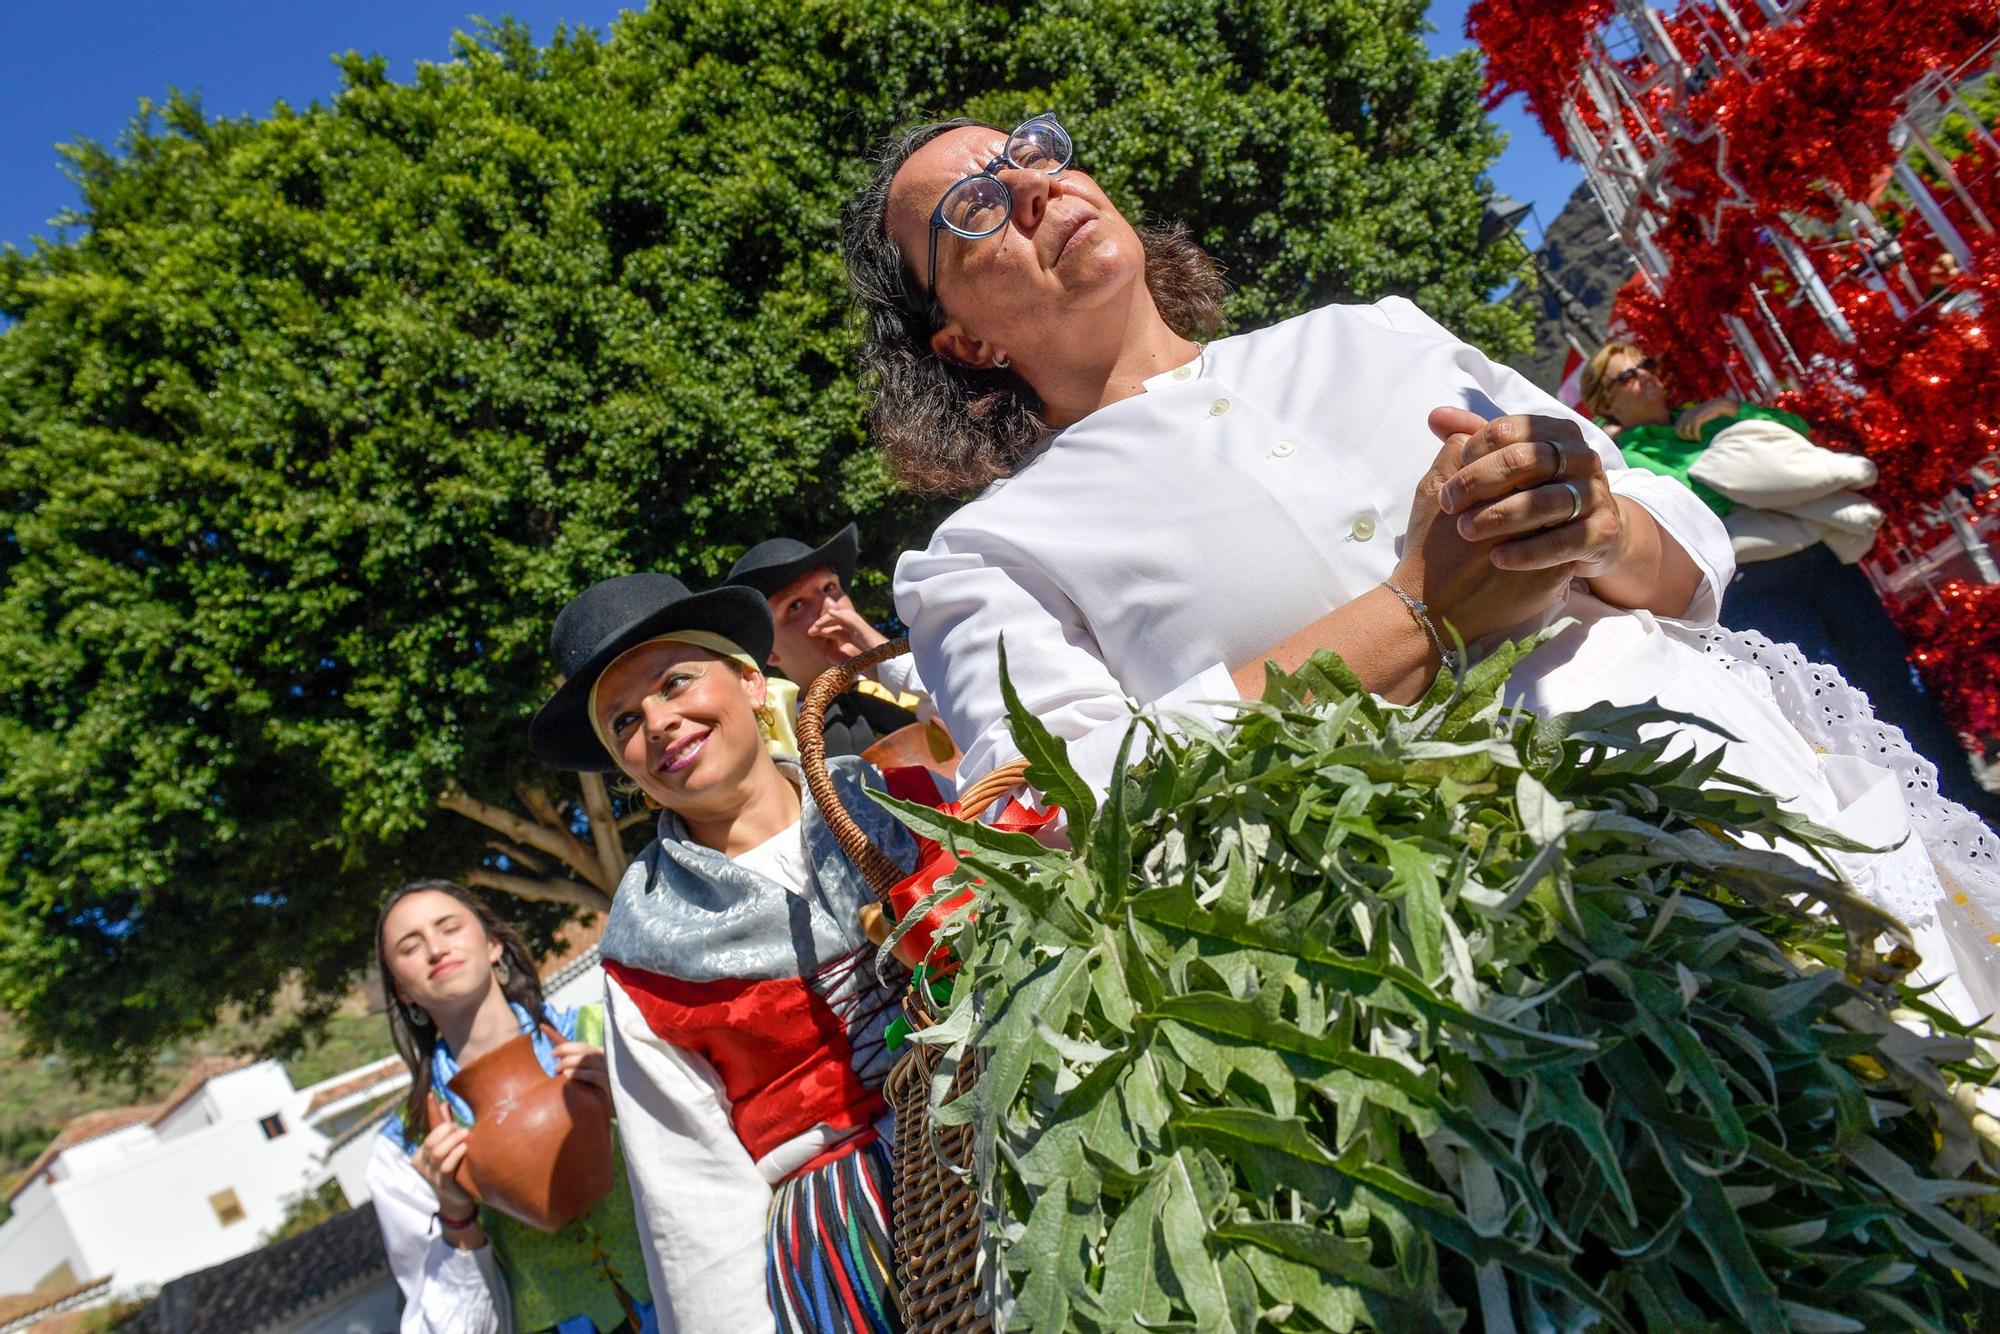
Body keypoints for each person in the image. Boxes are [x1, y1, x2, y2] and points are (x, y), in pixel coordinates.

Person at [841, 113, 2000, 1023]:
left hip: (1752, 807)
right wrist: (1418, 609)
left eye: (1033, 151)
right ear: (963, 341)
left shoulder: (1368, 332)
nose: (1036, 184)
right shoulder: (982, 555)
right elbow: (1065, 809)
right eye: (976, 203)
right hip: (1472, 987)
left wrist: (1588, 526)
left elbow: (1675, 541)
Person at [528, 571, 921, 1334]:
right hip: (852, 1248)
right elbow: (692, 1195)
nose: (660, 722)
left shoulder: (895, 794)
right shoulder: (645, 951)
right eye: (625, 724)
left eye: (676, 682)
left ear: (749, 681)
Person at [1580, 341, 2000, 824]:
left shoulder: (1707, 417)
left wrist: (1736, 412)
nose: (1645, 377)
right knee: (1836, 710)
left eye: (1648, 363)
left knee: (1894, 680)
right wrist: (1753, 468)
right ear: (1605, 401)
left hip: (1820, 563)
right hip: (1754, 589)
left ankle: (1967, 800)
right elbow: (1697, 503)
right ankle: (1911, 825)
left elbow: (1797, 441)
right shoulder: (1627, 459)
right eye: (1626, 376)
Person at [366, 880, 655, 1334]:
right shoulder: (409, 1144)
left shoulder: (607, 1033)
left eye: (449, 928)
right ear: (403, 991)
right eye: (410, 946)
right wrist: (456, 1214)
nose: (436, 950)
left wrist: (636, 1105)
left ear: (494, 944)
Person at [725, 523, 943, 761]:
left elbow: (974, 707)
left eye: (830, 587)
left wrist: (887, 662)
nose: (830, 607)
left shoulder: (914, 686)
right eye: (796, 605)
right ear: (769, 652)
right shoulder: (776, 741)